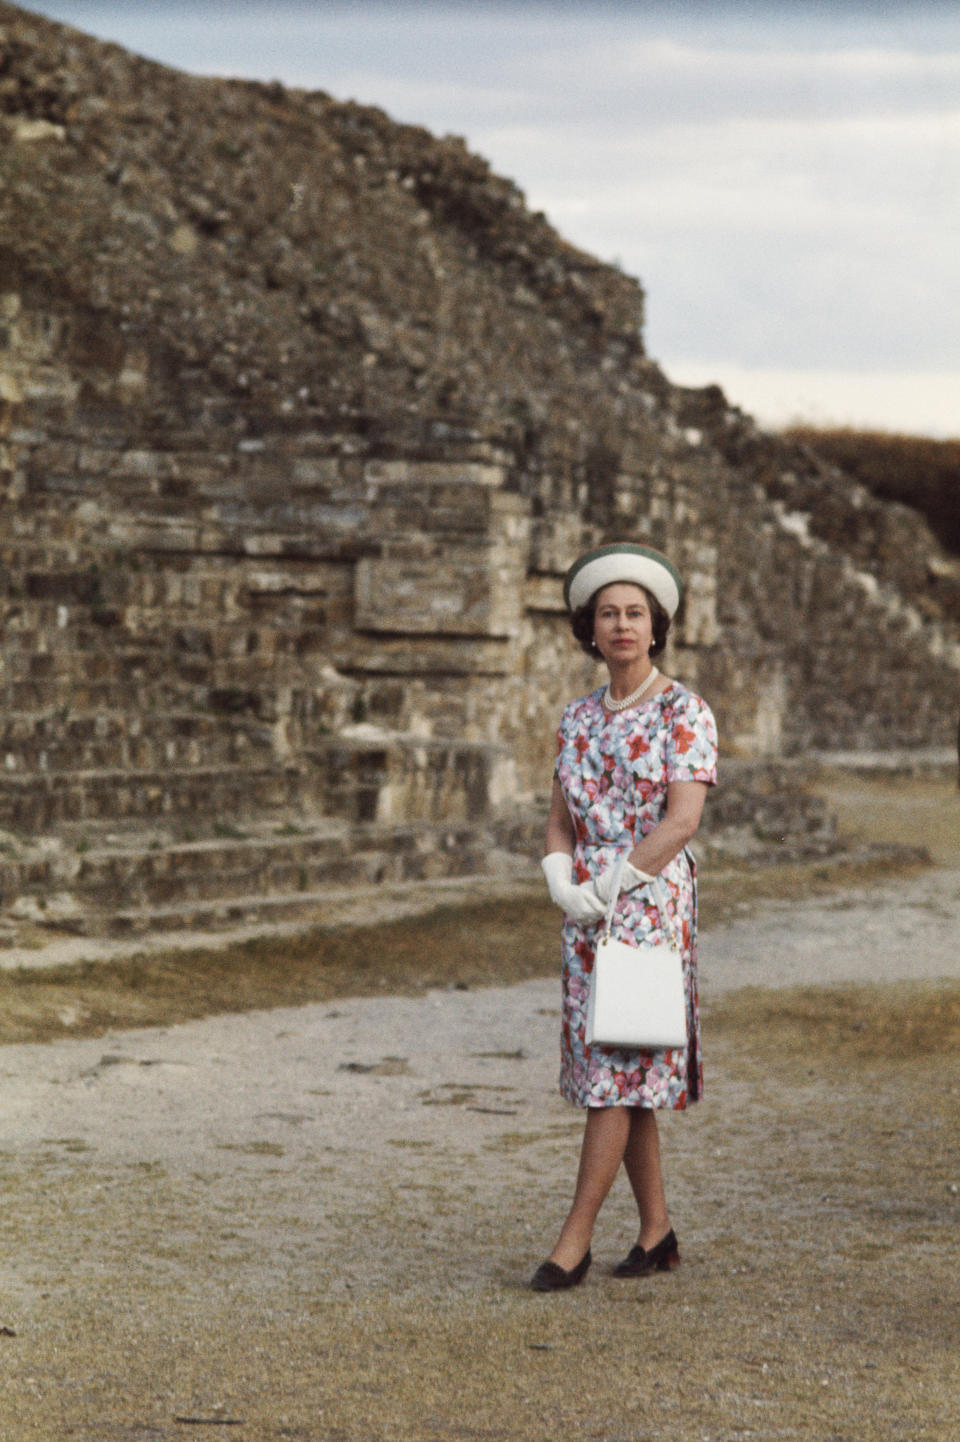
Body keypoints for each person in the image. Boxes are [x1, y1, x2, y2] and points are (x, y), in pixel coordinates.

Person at [530, 541, 718, 1292]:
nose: (622, 626)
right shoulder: (577, 718)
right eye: (608, 613)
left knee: (615, 1066)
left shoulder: (684, 710)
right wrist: (560, 880)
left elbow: (681, 821)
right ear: (591, 627)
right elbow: (558, 821)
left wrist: (613, 882)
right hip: (587, 910)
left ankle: (572, 1240)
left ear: (656, 625)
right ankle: (657, 1230)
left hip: (648, 901)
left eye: (635, 613)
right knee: (624, 1060)